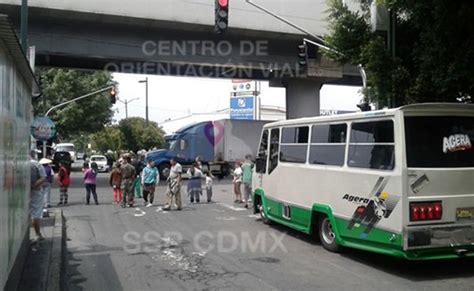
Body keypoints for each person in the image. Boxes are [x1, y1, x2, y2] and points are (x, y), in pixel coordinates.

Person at [30, 150, 47, 241]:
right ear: (34, 155)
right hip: (35, 192)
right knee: (36, 214)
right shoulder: (37, 164)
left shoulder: (20, 164)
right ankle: (37, 234)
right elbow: (43, 177)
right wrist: (33, 186)